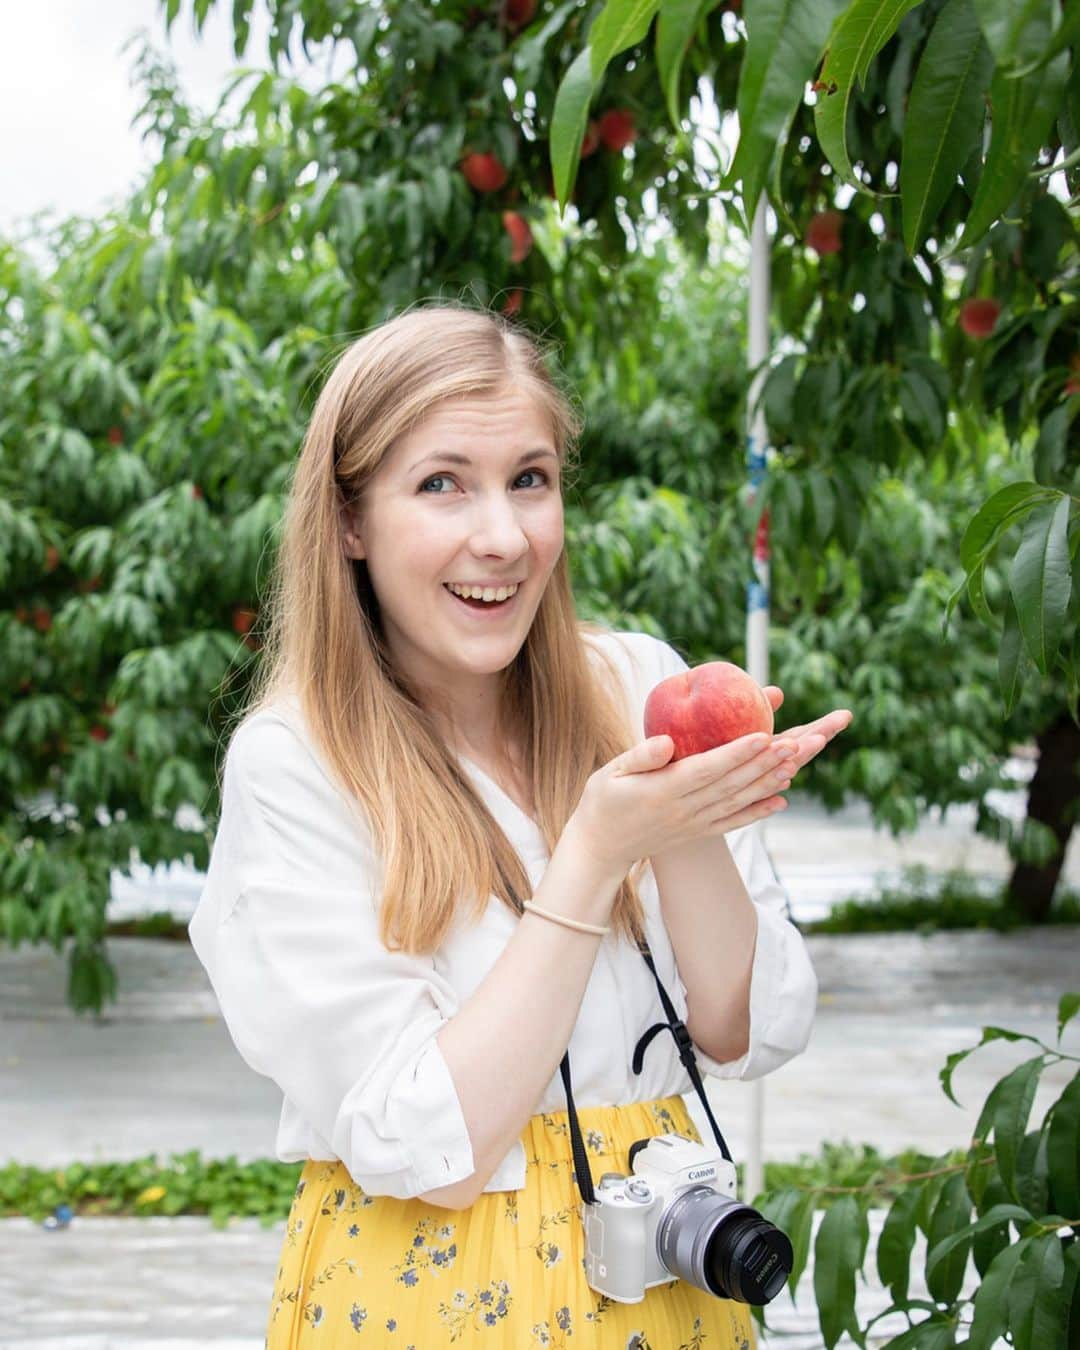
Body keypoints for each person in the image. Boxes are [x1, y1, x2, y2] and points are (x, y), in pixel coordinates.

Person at [188, 302, 853, 1348]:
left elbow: (745, 1029)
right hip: (432, 1297)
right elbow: (434, 1146)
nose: (502, 538)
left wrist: (680, 820)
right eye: (442, 483)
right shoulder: (298, 764)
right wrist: (591, 856)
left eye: (530, 479)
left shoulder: (639, 681)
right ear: (351, 521)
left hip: (660, 1276)